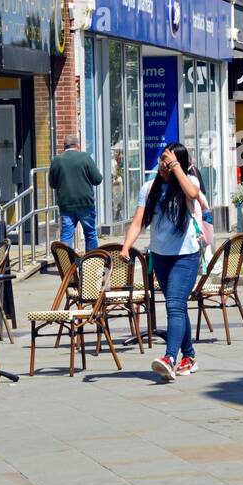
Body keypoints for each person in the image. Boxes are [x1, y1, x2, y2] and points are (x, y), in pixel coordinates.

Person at [121, 143, 207, 381]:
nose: (162, 165)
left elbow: (192, 195)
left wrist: (176, 167)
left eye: (167, 161)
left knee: (174, 306)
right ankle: (189, 357)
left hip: (185, 256)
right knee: (176, 306)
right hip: (160, 256)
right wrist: (126, 246)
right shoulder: (150, 188)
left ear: (178, 162)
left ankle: (169, 358)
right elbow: (139, 221)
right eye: (161, 160)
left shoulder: (189, 183)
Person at [48, 134, 103, 250]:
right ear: (78, 145)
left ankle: (66, 266)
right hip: (85, 203)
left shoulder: (56, 160)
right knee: (90, 234)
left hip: (66, 205)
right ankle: (92, 264)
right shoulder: (85, 157)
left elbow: (52, 184)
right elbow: (97, 179)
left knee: (66, 236)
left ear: (64, 146)